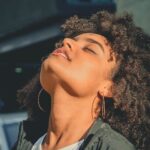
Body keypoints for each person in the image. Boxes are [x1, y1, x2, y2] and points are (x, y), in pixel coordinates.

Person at [12, 11, 150, 150]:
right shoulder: (24, 143)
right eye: (69, 40)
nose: (67, 41)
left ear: (110, 88)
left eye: (89, 49)